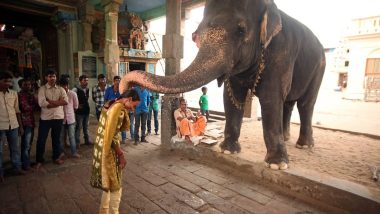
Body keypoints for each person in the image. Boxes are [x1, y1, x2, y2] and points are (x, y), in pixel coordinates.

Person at [90, 89, 140, 214]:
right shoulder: (119, 109)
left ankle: (103, 211)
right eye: (133, 106)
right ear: (128, 99)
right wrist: (121, 155)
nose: (133, 109)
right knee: (115, 187)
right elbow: (111, 136)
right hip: (108, 151)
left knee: (108, 185)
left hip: (101, 148)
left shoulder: (111, 103)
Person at [35, 70, 68, 169]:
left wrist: (51, 102)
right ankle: (39, 160)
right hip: (46, 118)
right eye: (50, 76)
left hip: (58, 117)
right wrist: (58, 102)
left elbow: (65, 101)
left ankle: (56, 157)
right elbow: (42, 103)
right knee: (41, 139)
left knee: (56, 139)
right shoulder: (42, 89)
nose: (52, 78)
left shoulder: (61, 89)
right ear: (46, 78)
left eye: (54, 76)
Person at [0, 71, 24, 182]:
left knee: (15, 148)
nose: (8, 83)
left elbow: (17, 110)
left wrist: (20, 126)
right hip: (0, 126)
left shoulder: (14, 93)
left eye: (9, 81)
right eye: (5, 81)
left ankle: (17, 168)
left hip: (13, 124)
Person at [18, 78, 38, 170]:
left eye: (29, 84)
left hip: (31, 121)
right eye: (25, 84)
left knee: (29, 143)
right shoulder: (19, 95)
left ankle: (26, 160)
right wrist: (34, 105)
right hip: (25, 122)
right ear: (20, 86)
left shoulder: (30, 94)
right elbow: (25, 108)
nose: (28, 86)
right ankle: (25, 164)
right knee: (26, 144)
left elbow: (36, 106)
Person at [59, 78, 80, 158]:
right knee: (61, 137)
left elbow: (76, 106)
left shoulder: (72, 94)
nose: (64, 87)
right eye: (62, 86)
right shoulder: (58, 94)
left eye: (66, 85)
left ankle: (74, 152)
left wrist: (70, 113)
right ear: (60, 86)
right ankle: (62, 152)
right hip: (61, 118)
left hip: (71, 118)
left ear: (68, 85)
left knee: (71, 136)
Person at [104, 76, 128, 144]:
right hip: (110, 111)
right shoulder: (108, 90)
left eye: (119, 80)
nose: (118, 82)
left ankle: (123, 139)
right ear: (113, 81)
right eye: (116, 80)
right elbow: (105, 100)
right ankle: (112, 139)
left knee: (122, 124)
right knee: (112, 125)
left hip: (120, 111)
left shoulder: (122, 90)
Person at [73, 75, 92, 146]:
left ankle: (87, 140)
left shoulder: (87, 89)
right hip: (79, 112)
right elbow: (70, 99)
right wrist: (76, 106)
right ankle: (77, 142)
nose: (86, 82)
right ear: (80, 81)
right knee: (78, 127)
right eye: (84, 80)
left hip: (86, 111)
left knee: (86, 126)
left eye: (87, 80)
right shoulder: (75, 89)